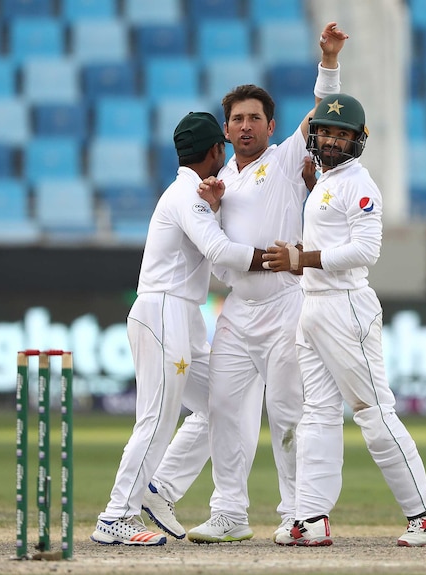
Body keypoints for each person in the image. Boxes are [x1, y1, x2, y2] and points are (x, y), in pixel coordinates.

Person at [140, 22, 349, 544]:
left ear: (271, 125)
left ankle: (298, 514)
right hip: (236, 309)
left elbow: (322, 110)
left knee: (286, 413)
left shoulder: (283, 162)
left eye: (255, 118)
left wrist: (328, 60)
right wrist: (210, 205)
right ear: (226, 132)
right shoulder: (216, 182)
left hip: (284, 306)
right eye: (237, 119)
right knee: (225, 412)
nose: (246, 126)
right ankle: (229, 512)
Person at [262, 93, 426, 547]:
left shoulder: (358, 183)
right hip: (314, 305)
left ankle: (425, 511)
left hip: (346, 306)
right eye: (326, 131)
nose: (331, 140)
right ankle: (312, 518)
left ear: (358, 141)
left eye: (342, 135)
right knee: (318, 414)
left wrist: (302, 258)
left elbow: (367, 251)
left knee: (373, 412)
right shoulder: (324, 180)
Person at [91, 111, 259, 546]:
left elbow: (214, 251)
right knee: (157, 419)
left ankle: (158, 490)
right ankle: (116, 517)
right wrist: (276, 259)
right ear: (216, 151)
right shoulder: (187, 195)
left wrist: (217, 207)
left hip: (182, 315)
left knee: (224, 404)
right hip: (164, 312)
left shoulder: (196, 194)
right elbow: (220, 252)